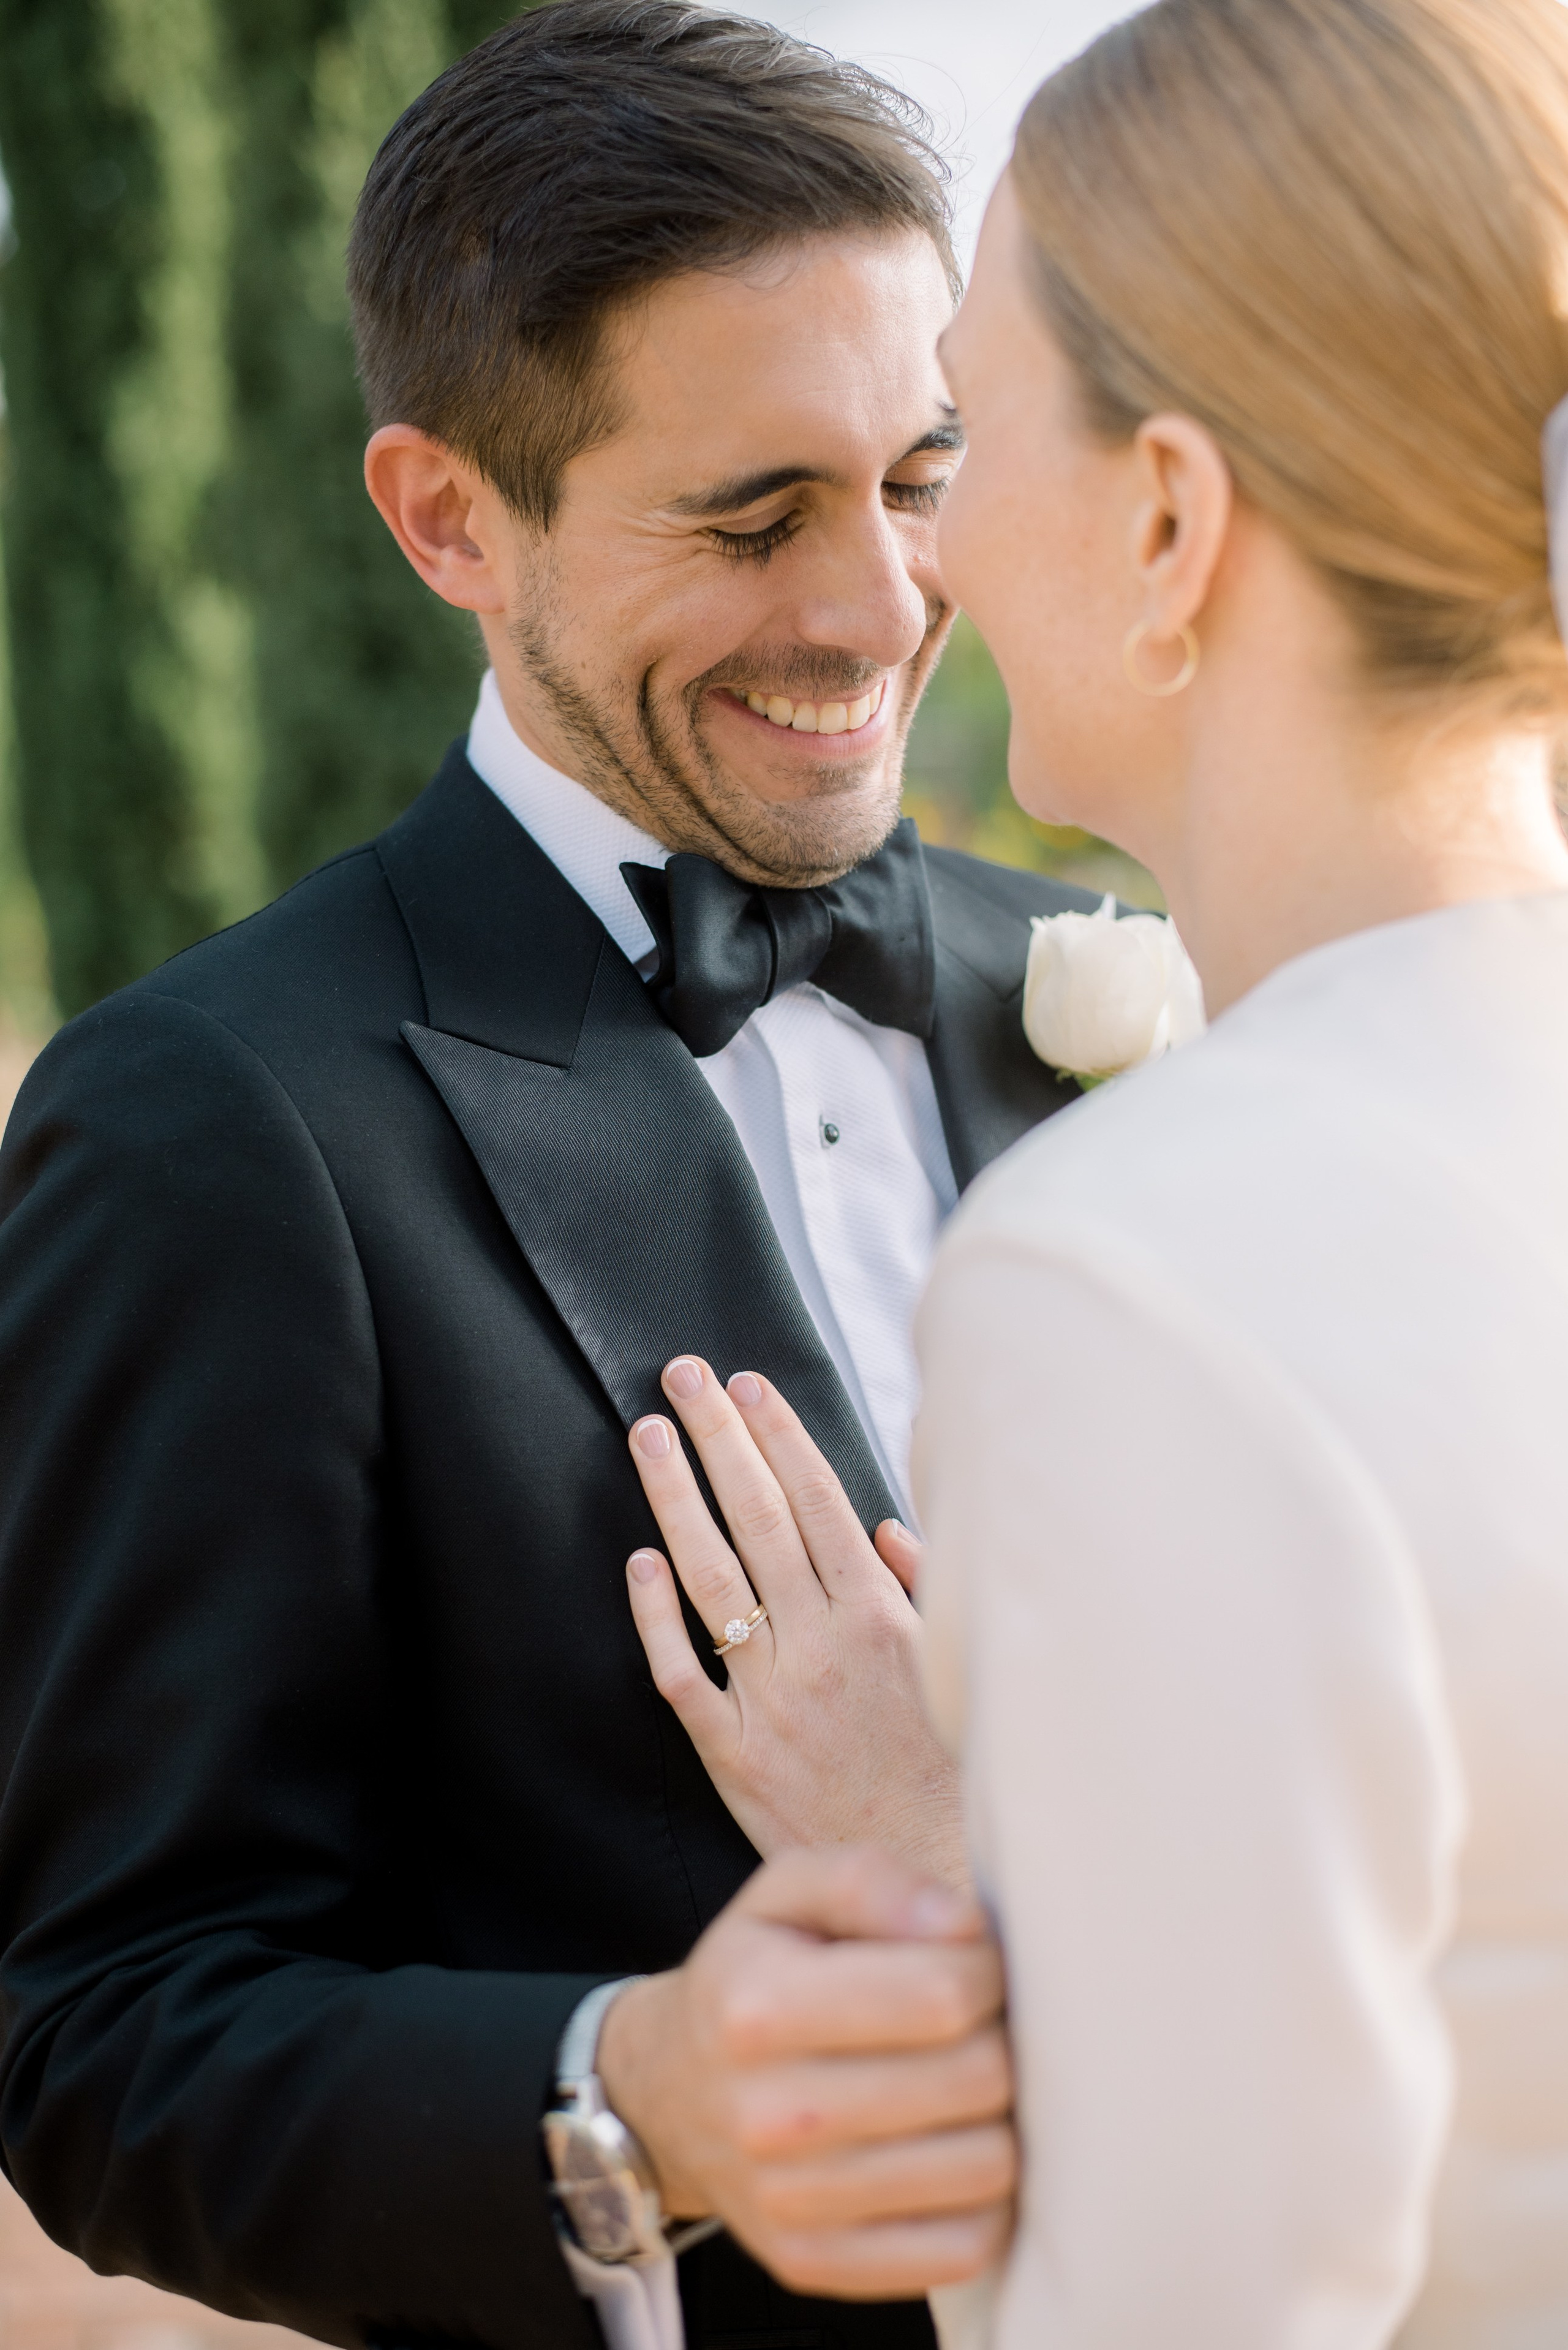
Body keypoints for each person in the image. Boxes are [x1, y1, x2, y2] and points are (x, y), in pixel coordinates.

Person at [0, 5, 1086, 2346]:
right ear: (445, 517)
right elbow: (110, 2032)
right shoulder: (214, 1121)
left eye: (917, 475)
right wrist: (642, 2098)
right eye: (751, 514)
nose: (884, 609)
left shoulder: (1122, 989)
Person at [619, 0, 1568, 2343]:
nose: (911, 557)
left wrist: (941, 1859)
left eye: (959, 431)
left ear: (1166, 519)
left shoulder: (1137, 1275)